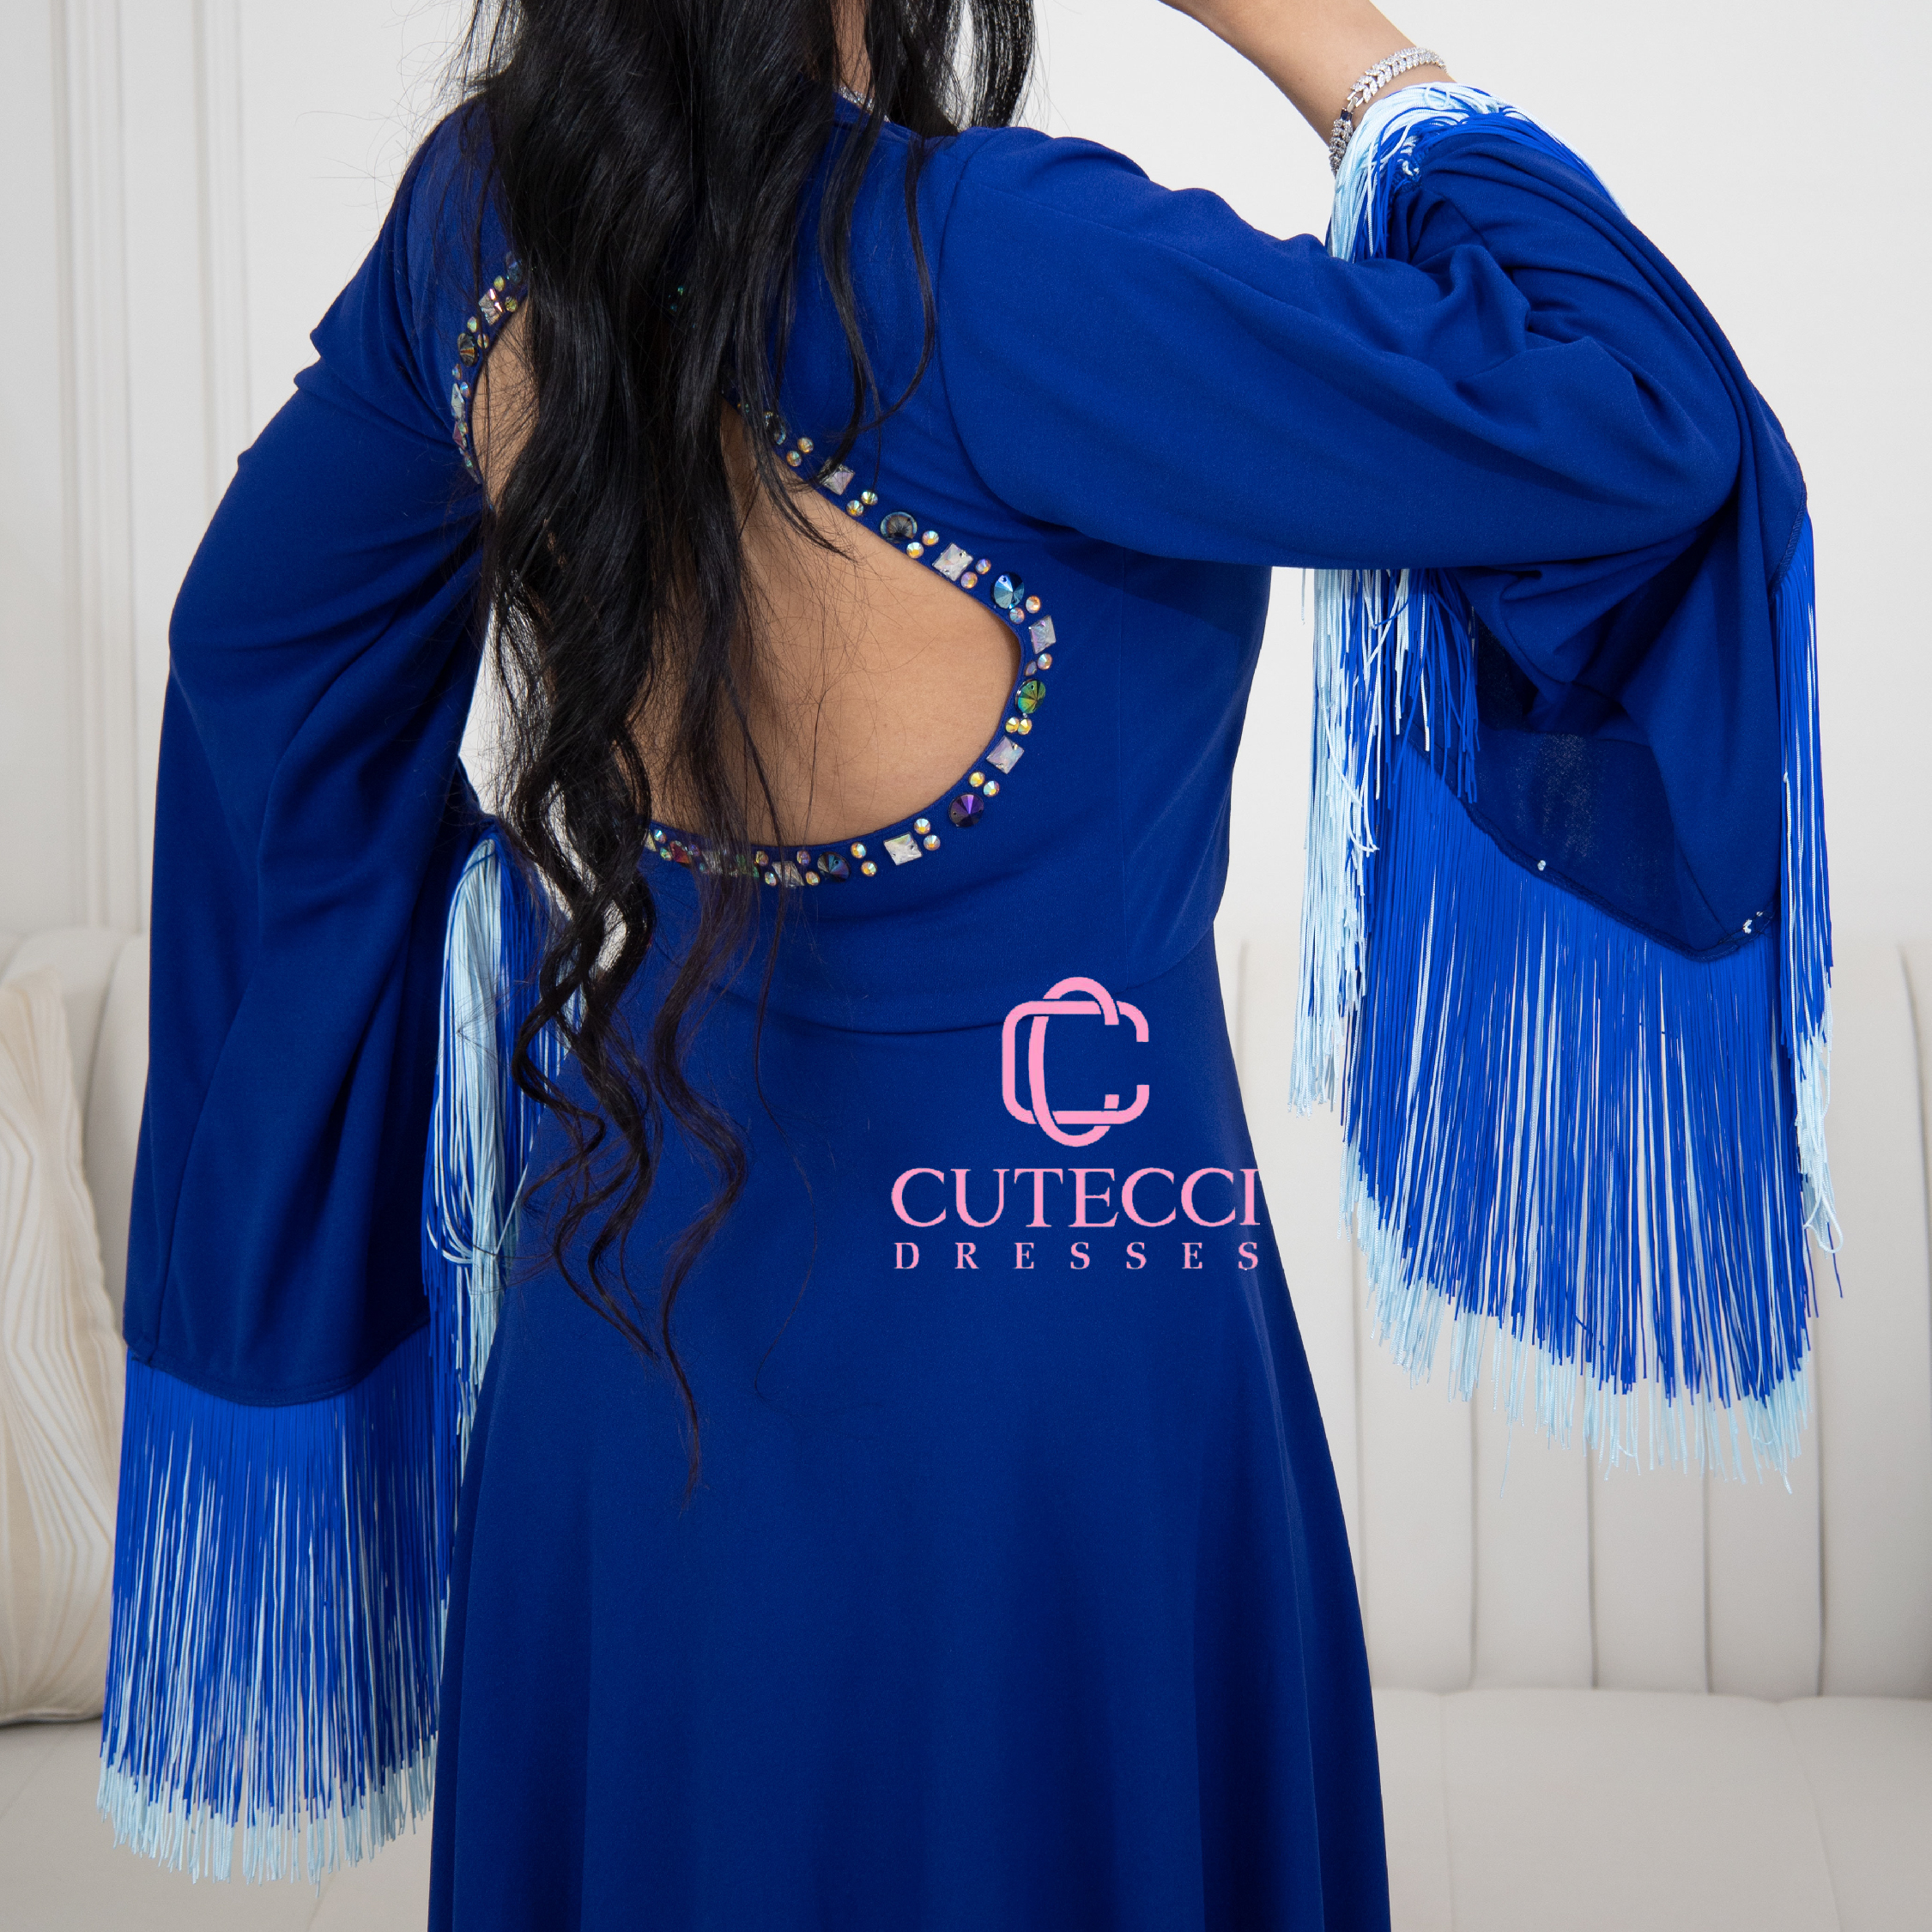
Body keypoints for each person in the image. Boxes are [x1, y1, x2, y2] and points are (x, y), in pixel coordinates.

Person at [99, 1, 1824, 1926]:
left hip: (621, 1329)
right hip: (1050, 1373)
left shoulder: (487, 225)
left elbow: (260, 659)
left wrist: (552, 924)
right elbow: (1645, 415)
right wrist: (1335, 44)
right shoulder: (1010, 269)